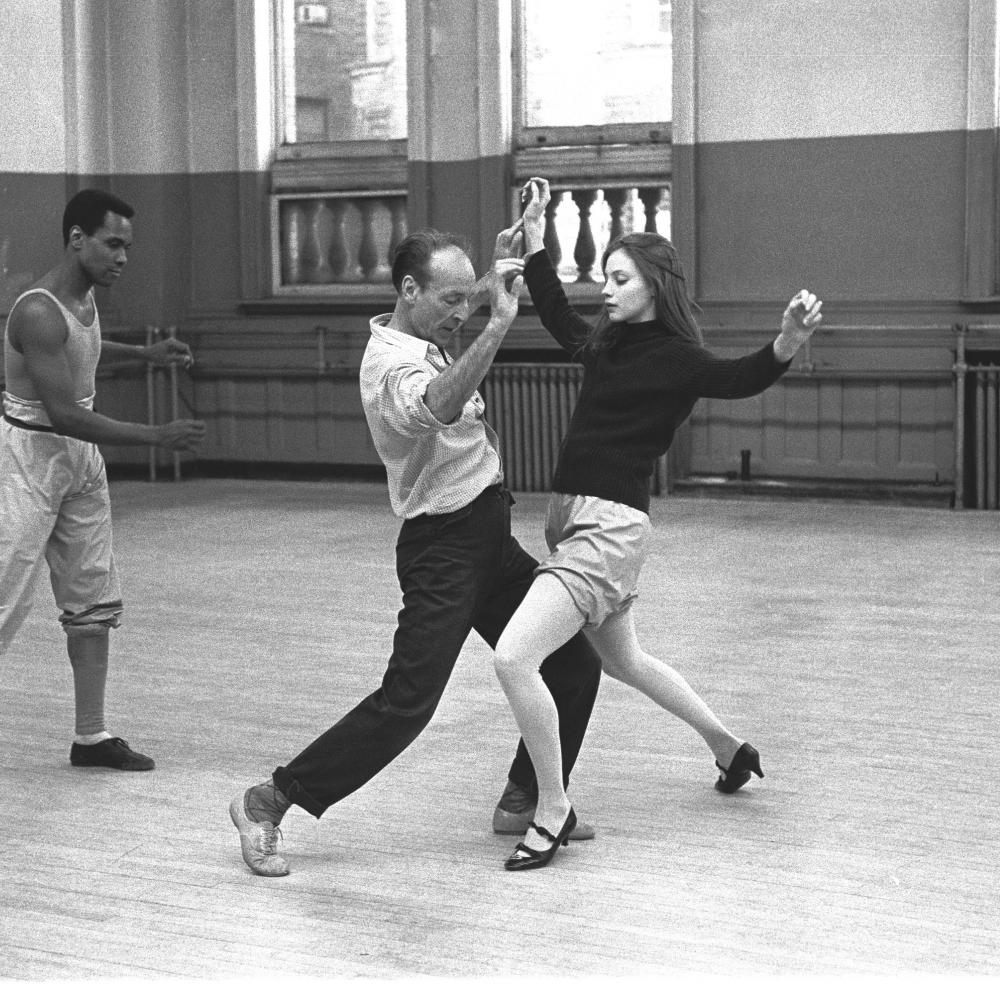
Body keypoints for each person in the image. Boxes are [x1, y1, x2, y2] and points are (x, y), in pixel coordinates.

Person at [230, 228, 603, 877]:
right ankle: (268, 801)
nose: (463, 312)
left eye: (468, 299)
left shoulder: (421, 330)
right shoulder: (390, 366)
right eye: (452, 300)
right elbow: (439, 403)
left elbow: (474, 292)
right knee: (409, 702)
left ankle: (525, 797)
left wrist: (505, 260)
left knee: (573, 662)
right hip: (445, 547)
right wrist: (496, 328)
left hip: (489, 535)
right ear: (409, 290)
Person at [490, 177, 824, 871]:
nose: (607, 289)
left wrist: (787, 341)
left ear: (653, 285)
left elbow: (742, 376)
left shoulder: (678, 358)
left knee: (514, 656)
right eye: (606, 277)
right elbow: (553, 310)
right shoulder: (608, 345)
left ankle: (550, 807)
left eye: (619, 278)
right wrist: (538, 230)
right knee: (623, 661)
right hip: (573, 519)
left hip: (607, 531)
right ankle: (730, 749)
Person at [1, 188, 206, 770]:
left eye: (127, 246)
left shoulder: (82, 302)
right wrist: (154, 436)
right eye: (112, 244)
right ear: (77, 239)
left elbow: (82, 347)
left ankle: (90, 737)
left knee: (91, 598)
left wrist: (146, 354)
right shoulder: (36, 310)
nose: (123, 256)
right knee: (4, 598)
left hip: (78, 462)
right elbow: (63, 413)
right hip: (28, 460)